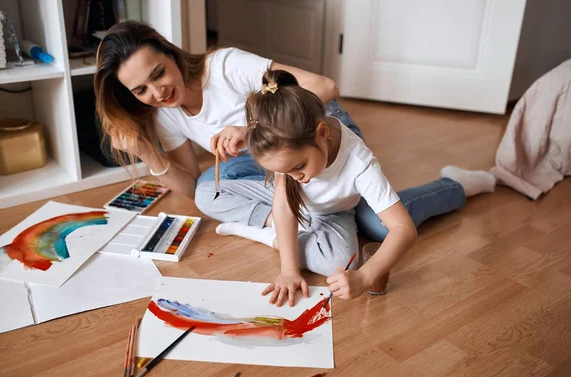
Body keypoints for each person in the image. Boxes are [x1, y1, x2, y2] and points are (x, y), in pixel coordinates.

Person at [194, 70, 497, 307]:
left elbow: (404, 230)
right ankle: (272, 234)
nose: (295, 178)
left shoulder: (358, 162)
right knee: (207, 192)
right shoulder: (285, 154)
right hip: (306, 204)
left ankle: (456, 184)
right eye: (282, 172)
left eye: (299, 167)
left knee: (363, 239)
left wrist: (365, 275)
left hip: (336, 208)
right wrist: (289, 270)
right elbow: (284, 205)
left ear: (322, 134)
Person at [94, 20, 350, 201]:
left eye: (159, 74)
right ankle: (294, 211)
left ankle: (325, 202)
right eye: (141, 90)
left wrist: (250, 128)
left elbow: (324, 86)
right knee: (207, 188)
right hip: (277, 158)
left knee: (370, 221)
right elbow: (192, 188)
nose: (158, 93)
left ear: (171, 55)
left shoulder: (224, 66)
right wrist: (147, 153)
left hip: (318, 130)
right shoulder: (165, 113)